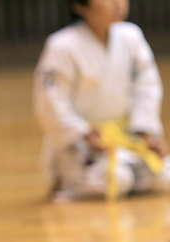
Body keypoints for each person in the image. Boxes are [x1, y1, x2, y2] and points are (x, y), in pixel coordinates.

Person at [34, 0, 170, 202]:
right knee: (117, 179)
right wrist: (82, 133)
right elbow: (51, 101)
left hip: (124, 138)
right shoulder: (62, 46)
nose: (118, 3)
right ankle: (67, 180)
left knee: (165, 176)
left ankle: (129, 173)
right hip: (82, 146)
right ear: (79, 6)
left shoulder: (131, 36)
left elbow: (147, 87)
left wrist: (144, 130)